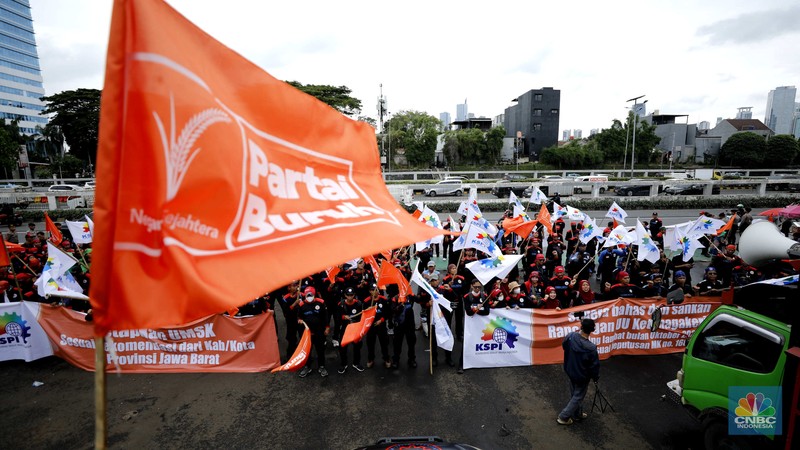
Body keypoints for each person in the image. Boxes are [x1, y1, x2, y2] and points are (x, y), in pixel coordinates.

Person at [557, 318, 600, 425]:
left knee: (575, 393)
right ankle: (563, 417)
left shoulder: (571, 336)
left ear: (581, 327)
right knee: (578, 396)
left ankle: (577, 413)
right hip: (582, 376)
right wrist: (595, 378)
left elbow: (564, 346)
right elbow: (594, 366)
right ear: (592, 330)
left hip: (570, 370)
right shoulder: (591, 348)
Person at [296, 286, 330, 378]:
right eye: (308, 295)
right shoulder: (301, 305)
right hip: (307, 333)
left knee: (320, 350)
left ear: (314, 295)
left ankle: (322, 367)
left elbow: (325, 316)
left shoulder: (321, 303)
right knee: (307, 351)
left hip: (319, 332)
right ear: (305, 295)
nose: (309, 296)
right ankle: (307, 367)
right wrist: (299, 320)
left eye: (311, 295)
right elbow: (299, 316)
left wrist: (327, 328)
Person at [336, 287, 364, 374]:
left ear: (354, 295)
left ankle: (356, 363)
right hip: (345, 328)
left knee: (357, 347)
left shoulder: (359, 304)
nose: (350, 297)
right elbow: (337, 317)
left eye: (351, 295)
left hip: (355, 328)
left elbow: (361, 318)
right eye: (348, 295)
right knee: (343, 346)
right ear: (345, 295)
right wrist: (343, 317)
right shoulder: (340, 304)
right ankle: (344, 364)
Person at [364, 283, 392, 369]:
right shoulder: (366, 301)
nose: (374, 292)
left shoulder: (384, 300)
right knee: (370, 344)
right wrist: (366, 311)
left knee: (384, 343)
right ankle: (370, 359)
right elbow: (363, 315)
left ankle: (386, 359)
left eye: (375, 290)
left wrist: (382, 320)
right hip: (371, 326)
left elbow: (389, 313)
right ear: (369, 291)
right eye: (372, 290)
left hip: (381, 325)